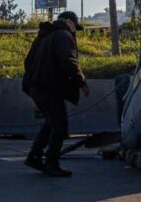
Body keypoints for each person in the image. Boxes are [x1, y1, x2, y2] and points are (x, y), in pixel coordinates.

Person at [22, 11, 90, 177]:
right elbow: (69, 60)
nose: (75, 31)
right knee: (60, 125)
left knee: (51, 122)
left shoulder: (43, 36)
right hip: (48, 87)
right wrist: (81, 82)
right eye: (75, 26)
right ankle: (51, 163)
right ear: (68, 22)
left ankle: (35, 155)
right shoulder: (63, 35)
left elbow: (27, 62)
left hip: (36, 86)